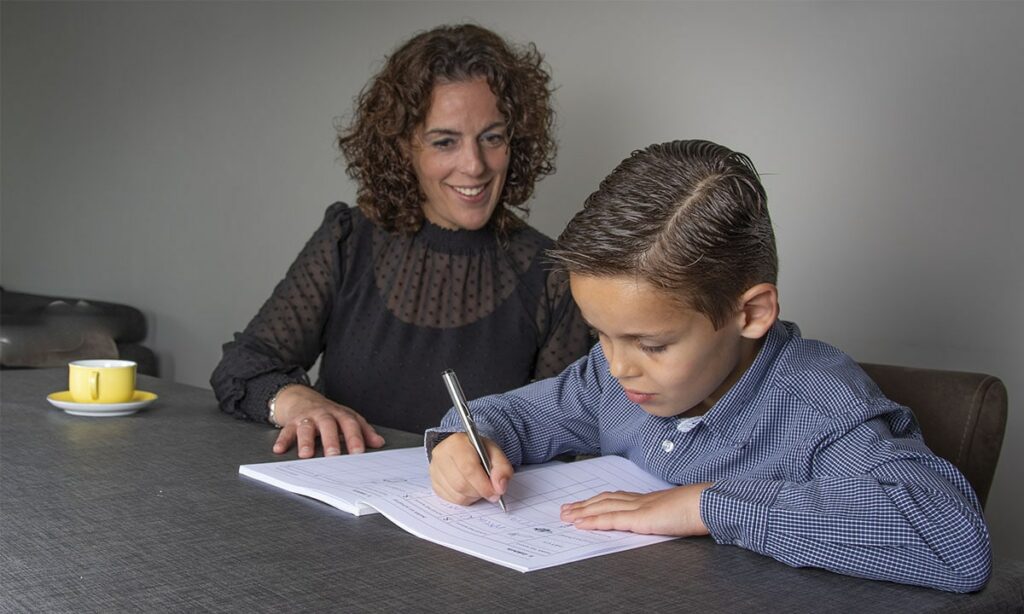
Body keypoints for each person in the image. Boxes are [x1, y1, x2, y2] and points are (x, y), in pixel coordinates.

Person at [426, 140, 991, 593]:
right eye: (600, 334)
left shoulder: (819, 405)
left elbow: (953, 540)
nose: (617, 366)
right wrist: (465, 442)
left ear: (751, 313)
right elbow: (515, 416)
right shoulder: (612, 377)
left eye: (652, 345)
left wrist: (704, 505)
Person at [210, 24, 591, 459]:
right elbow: (243, 366)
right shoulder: (348, 240)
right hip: (335, 492)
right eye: (444, 141)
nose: (474, 165)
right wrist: (298, 401)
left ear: (514, 141)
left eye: (492, 137)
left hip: (473, 502)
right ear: (403, 147)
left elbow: (564, 432)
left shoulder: (552, 276)